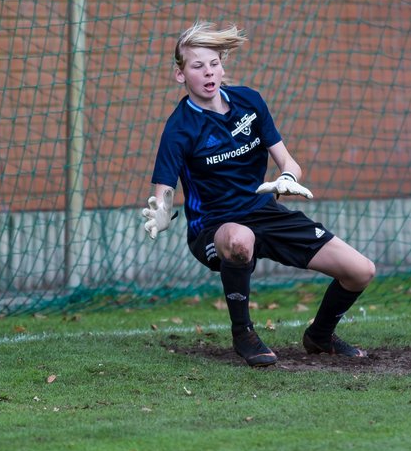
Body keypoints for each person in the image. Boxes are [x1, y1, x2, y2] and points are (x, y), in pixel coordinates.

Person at [141, 21, 375, 367]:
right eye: (197, 66)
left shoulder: (249, 102)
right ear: (181, 75)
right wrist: (161, 213)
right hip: (216, 226)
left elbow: (290, 162)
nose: (208, 72)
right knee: (240, 239)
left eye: (214, 63)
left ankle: (320, 335)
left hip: (266, 212)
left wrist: (285, 178)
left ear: (222, 67)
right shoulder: (180, 127)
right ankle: (244, 334)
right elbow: (163, 191)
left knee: (360, 270)